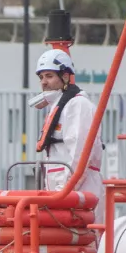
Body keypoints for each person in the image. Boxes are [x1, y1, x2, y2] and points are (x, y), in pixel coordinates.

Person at [34, 48, 99, 197]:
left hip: (76, 192)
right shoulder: (60, 106)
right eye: (41, 77)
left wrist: (65, 190)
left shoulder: (78, 105)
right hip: (61, 191)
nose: (44, 82)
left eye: (49, 76)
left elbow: (79, 153)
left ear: (65, 76)